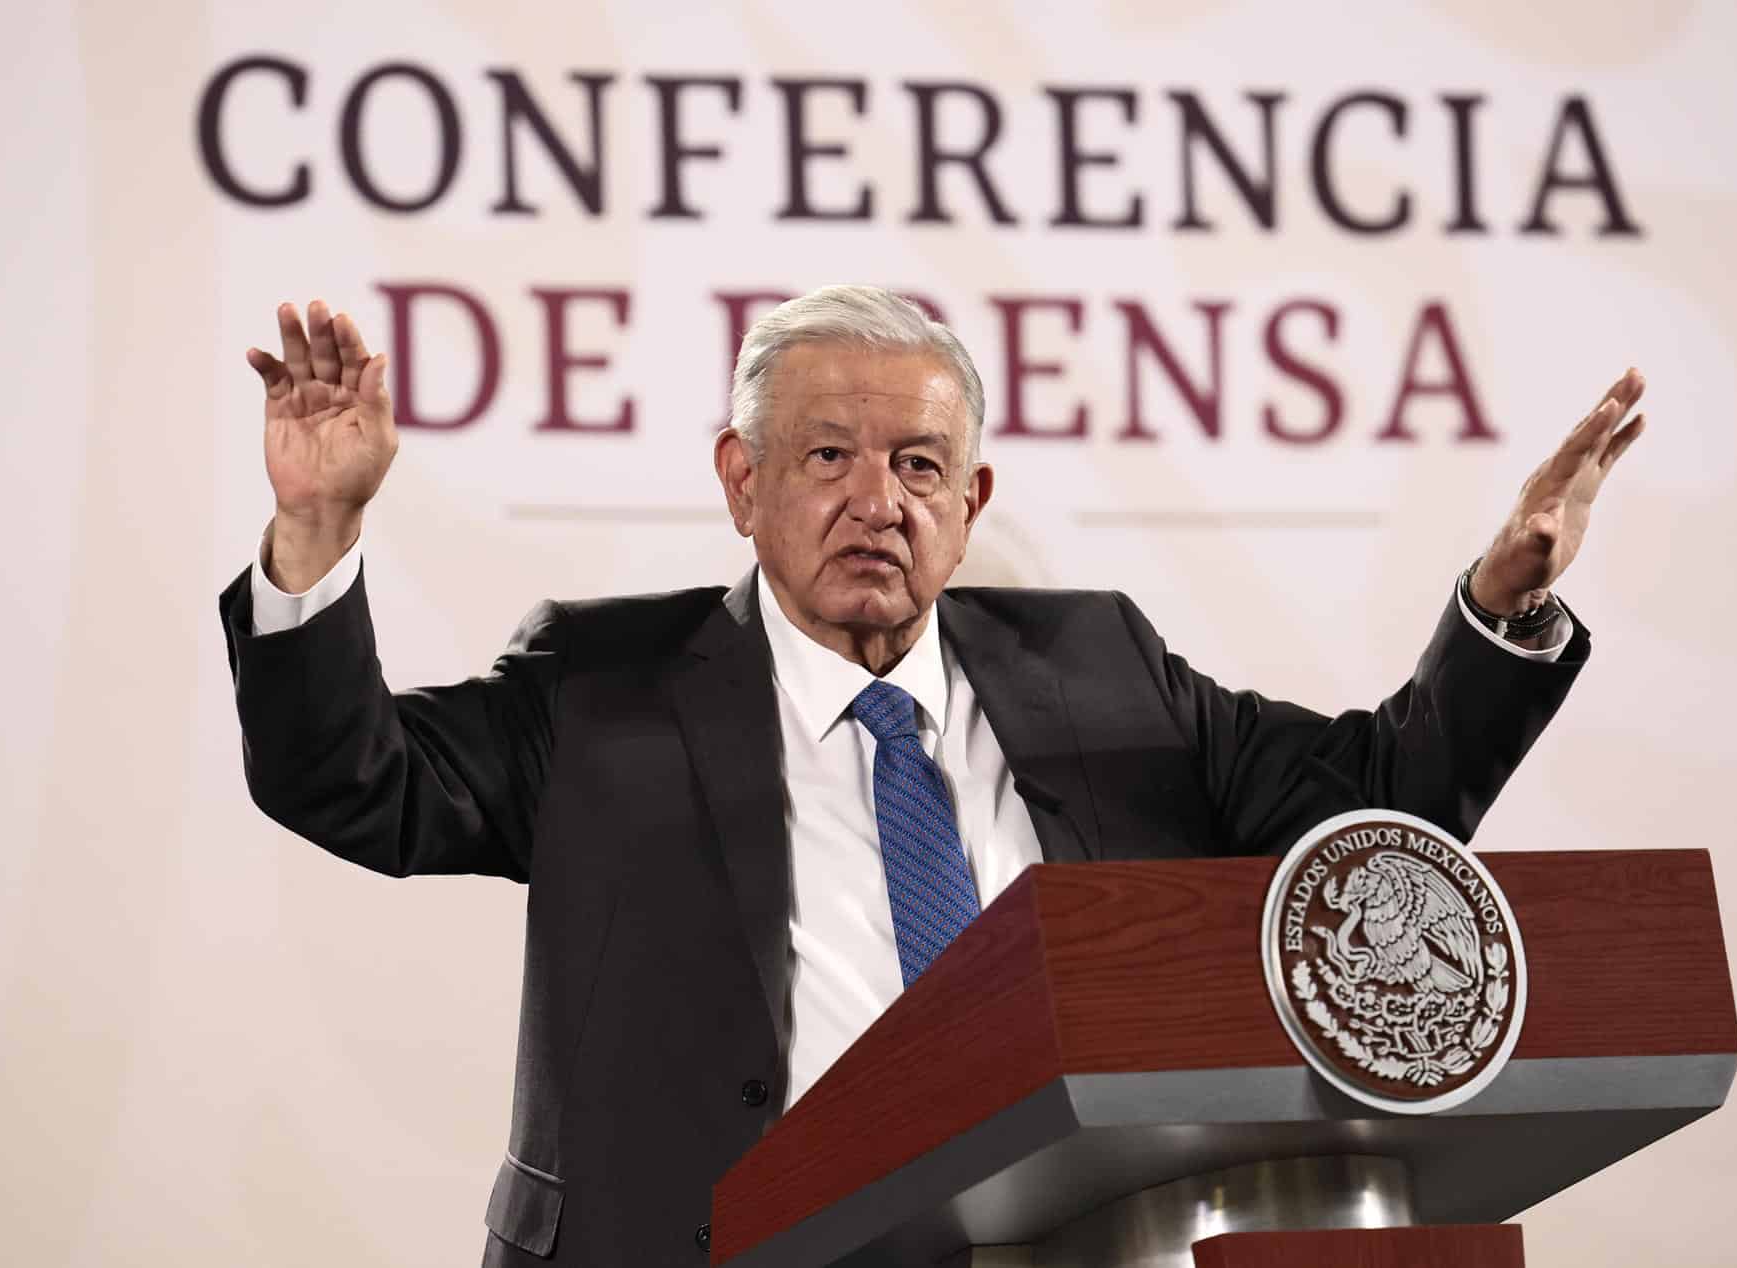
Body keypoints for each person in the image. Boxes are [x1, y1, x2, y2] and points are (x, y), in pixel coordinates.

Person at [220, 285, 1643, 1266]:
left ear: (970, 506)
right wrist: (315, 538)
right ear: (741, 480)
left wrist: (1504, 605)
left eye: (917, 464)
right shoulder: (607, 691)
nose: (875, 500)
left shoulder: (1101, 671)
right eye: (827, 454)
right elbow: (356, 781)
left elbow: (1373, 819)